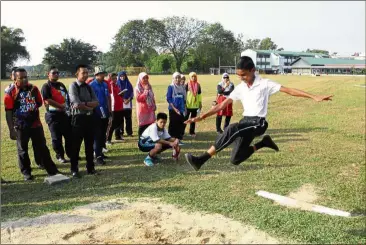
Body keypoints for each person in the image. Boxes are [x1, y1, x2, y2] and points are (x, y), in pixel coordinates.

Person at [184, 56, 333, 171]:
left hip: (258, 123)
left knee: (230, 129)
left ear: (252, 70)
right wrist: (202, 116)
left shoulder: (265, 84)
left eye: (243, 75)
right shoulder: (241, 88)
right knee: (235, 159)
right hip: (246, 122)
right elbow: (223, 104)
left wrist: (314, 96)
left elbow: (289, 90)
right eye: (238, 75)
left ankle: (201, 160)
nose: (241, 78)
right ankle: (263, 143)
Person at [4, 68, 60, 181]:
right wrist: (11, 129)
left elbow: (39, 103)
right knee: (22, 150)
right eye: (21, 78)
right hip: (20, 126)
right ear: (15, 78)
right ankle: (26, 172)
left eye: (26, 77)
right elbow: (8, 111)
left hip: (35, 124)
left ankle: (51, 169)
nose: (24, 79)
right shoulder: (10, 92)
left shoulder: (33, 88)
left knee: (42, 147)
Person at [68, 65, 100, 178]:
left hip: (89, 119)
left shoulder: (88, 86)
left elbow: (96, 102)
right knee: (75, 146)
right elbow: (76, 104)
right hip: (78, 119)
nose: (86, 75)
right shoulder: (73, 86)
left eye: (87, 73)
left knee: (89, 145)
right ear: (77, 74)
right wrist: (89, 105)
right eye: (83, 73)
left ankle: (90, 168)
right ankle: (74, 169)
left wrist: (85, 105)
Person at [41, 66, 72, 163]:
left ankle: (71, 155)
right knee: (56, 138)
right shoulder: (46, 86)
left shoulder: (61, 85)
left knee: (69, 136)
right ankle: (60, 156)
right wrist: (61, 106)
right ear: (48, 74)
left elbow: (67, 97)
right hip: (53, 116)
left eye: (57, 73)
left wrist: (67, 107)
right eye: (54, 73)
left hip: (64, 115)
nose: (56, 74)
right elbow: (47, 100)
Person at [89, 70, 111, 165]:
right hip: (96, 113)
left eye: (104, 74)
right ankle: (97, 156)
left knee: (103, 133)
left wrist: (110, 111)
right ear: (96, 75)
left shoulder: (105, 84)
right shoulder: (92, 85)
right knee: (97, 135)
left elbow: (107, 98)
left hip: (105, 112)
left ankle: (101, 152)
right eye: (101, 74)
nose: (103, 75)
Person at [135, 72, 156, 137]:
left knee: (150, 125)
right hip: (142, 110)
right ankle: (141, 140)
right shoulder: (137, 88)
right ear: (140, 79)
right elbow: (139, 99)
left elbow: (152, 96)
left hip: (150, 109)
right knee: (142, 126)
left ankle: (149, 139)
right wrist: (146, 91)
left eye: (147, 77)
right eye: (144, 78)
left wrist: (154, 104)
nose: (146, 79)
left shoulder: (149, 86)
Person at [166, 72, 186, 141]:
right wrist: (174, 108)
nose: (177, 79)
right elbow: (168, 99)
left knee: (180, 123)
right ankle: (171, 138)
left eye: (179, 77)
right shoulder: (171, 87)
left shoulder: (182, 87)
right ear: (173, 79)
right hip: (173, 109)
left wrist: (184, 107)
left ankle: (178, 138)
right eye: (176, 78)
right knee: (173, 123)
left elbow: (184, 98)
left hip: (181, 108)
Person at [106, 73, 124, 145]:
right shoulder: (110, 85)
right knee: (112, 124)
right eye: (113, 78)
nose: (115, 80)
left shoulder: (117, 85)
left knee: (120, 122)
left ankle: (118, 136)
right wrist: (109, 79)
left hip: (120, 106)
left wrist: (122, 93)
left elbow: (118, 93)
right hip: (114, 107)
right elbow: (111, 95)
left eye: (116, 78)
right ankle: (108, 139)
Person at [115, 71, 134, 140]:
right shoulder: (117, 84)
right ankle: (121, 132)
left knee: (128, 118)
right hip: (121, 104)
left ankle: (129, 132)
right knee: (120, 119)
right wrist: (123, 100)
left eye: (123, 76)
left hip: (128, 104)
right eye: (121, 76)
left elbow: (132, 93)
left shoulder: (128, 84)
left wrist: (129, 99)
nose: (122, 77)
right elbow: (117, 94)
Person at [184, 72, 202, 138]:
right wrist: (184, 102)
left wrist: (200, 103)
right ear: (190, 77)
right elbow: (184, 94)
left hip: (195, 105)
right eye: (192, 77)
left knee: (193, 119)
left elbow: (199, 95)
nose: (194, 78)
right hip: (188, 105)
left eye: (195, 76)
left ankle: (192, 132)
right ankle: (182, 132)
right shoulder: (187, 84)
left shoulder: (198, 85)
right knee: (185, 118)